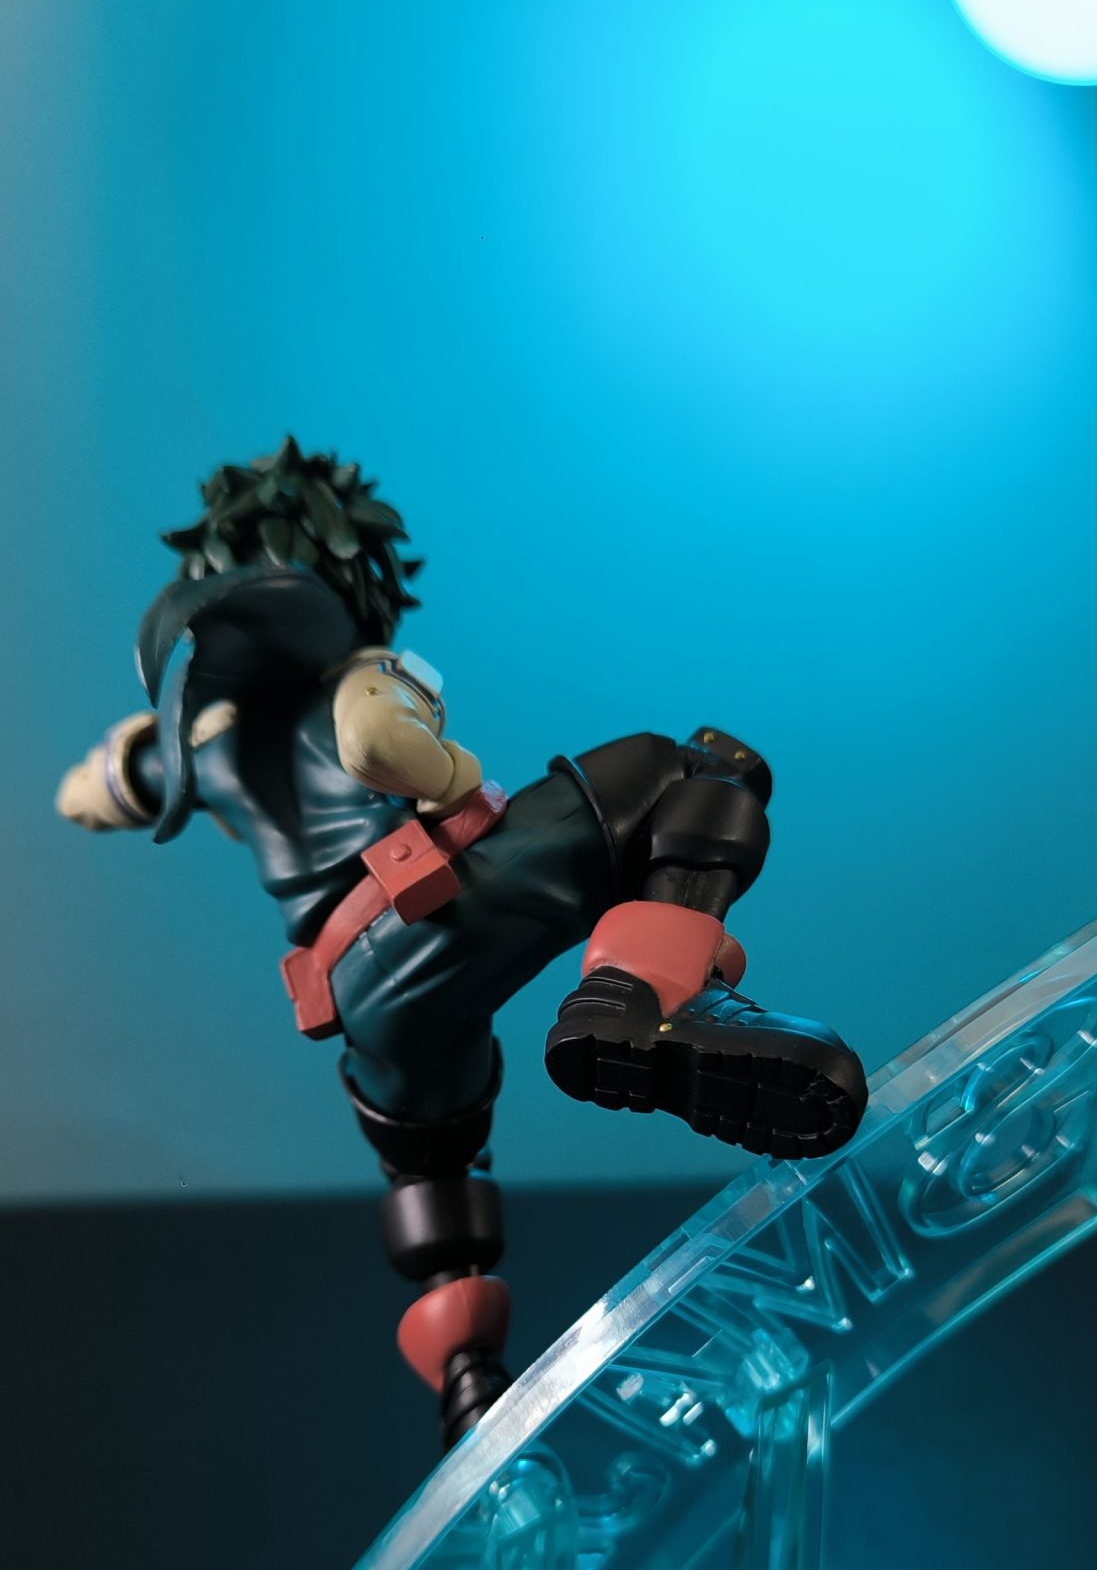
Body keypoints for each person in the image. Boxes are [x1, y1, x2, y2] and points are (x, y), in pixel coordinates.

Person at [57, 439, 867, 1447]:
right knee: (689, 769)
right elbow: (375, 742)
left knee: (434, 1169)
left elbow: (88, 794)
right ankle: (651, 997)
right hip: (428, 906)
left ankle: (468, 1381)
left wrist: (153, 747)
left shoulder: (206, 749)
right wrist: (452, 775)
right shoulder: (366, 670)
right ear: (351, 571)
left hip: (357, 1010)